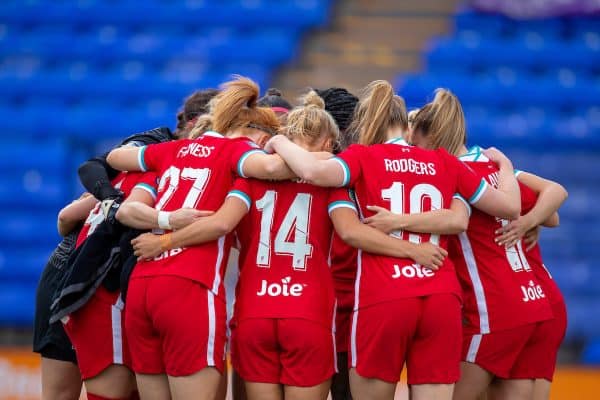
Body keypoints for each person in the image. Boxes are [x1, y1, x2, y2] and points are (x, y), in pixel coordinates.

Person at [263, 80, 522, 400]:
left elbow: (313, 173)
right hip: (441, 297)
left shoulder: (363, 157)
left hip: (383, 296)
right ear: (406, 127)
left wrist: (278, 142)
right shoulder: (444, 161)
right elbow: (510, 207)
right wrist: (507, 167)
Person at [105, 76, 305, 400]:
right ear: (254, 130)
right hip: (189, 287)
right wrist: (284, 147)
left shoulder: (174, 148)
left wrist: (163, 222)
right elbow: (273, 169)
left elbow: (114, 158)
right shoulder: (237, 153)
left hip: (142, 283)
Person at [405, 88, 561, 400]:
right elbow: (553, 213)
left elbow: (454, 221)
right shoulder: (493, 167)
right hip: (533, 301)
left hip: (493, 309)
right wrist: (528, 222)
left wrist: (394, 223)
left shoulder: (454, 173)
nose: (414, 154)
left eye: (415, 145)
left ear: (432, 138)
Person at [33, 193, 98, 400]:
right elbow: (65, 218)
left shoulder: (110, 171)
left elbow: (65, 219)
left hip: (69, 275)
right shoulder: (124, 177)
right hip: (73, 278)